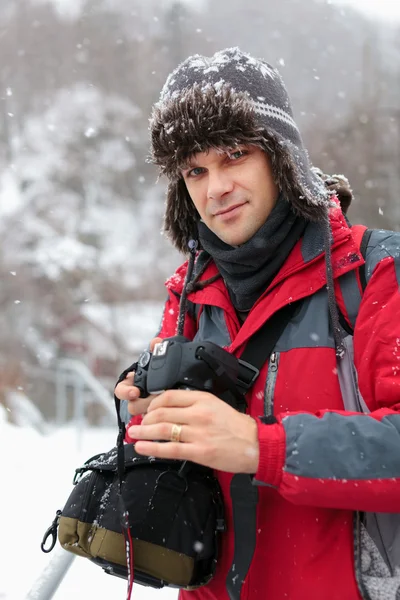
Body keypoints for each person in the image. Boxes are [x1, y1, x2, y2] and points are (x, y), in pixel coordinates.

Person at [115, 47, 400, 600]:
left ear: (280, 157)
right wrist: (154, 417)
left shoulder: (376, 274)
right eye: (195, 170)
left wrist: (262, 446)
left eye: (234, 155)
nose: (214, 187)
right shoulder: (191, 291)